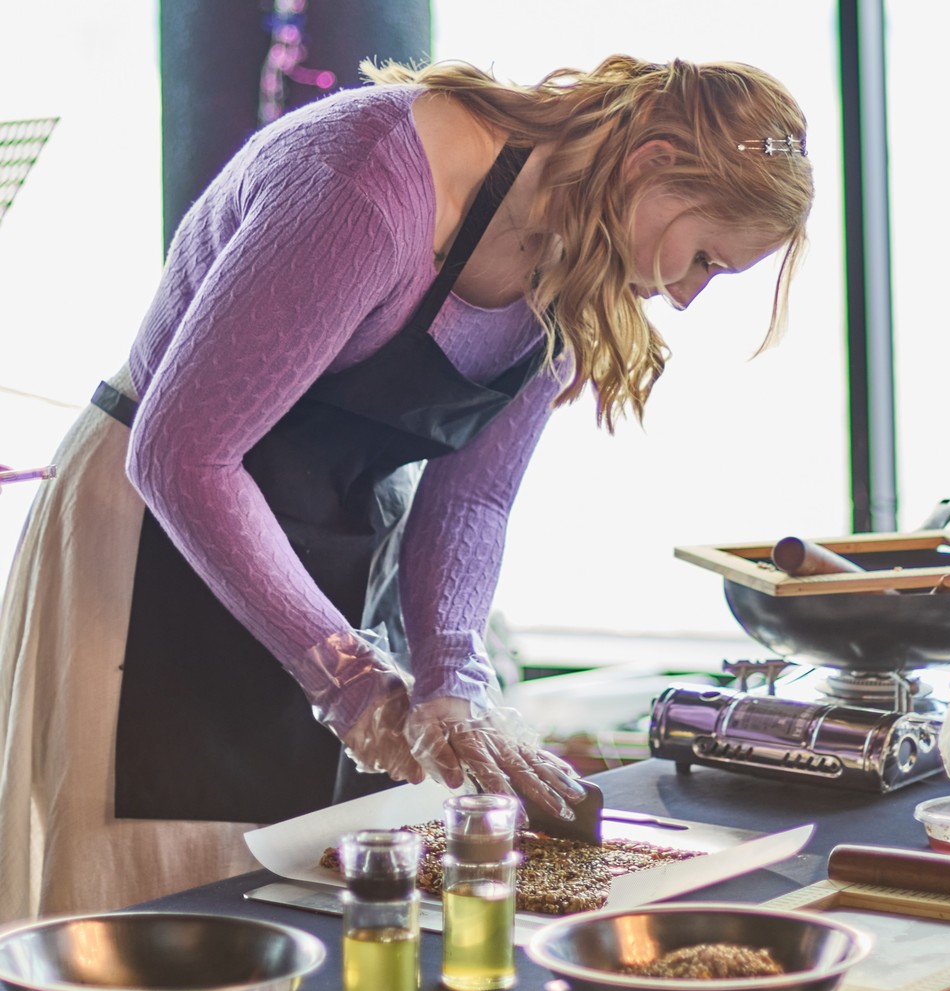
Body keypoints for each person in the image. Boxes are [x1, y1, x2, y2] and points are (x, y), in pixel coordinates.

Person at [0, 54, 813, 921]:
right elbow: (181, 454)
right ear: (649, 161)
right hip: (152, 547)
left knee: (307, 915)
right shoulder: (364, 185)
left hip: (332, 548)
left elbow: (470, 503)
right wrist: (347, 677)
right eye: (705, 260)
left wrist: (450, 681)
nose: (686, 297)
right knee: (162, 918)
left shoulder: (576, 268)